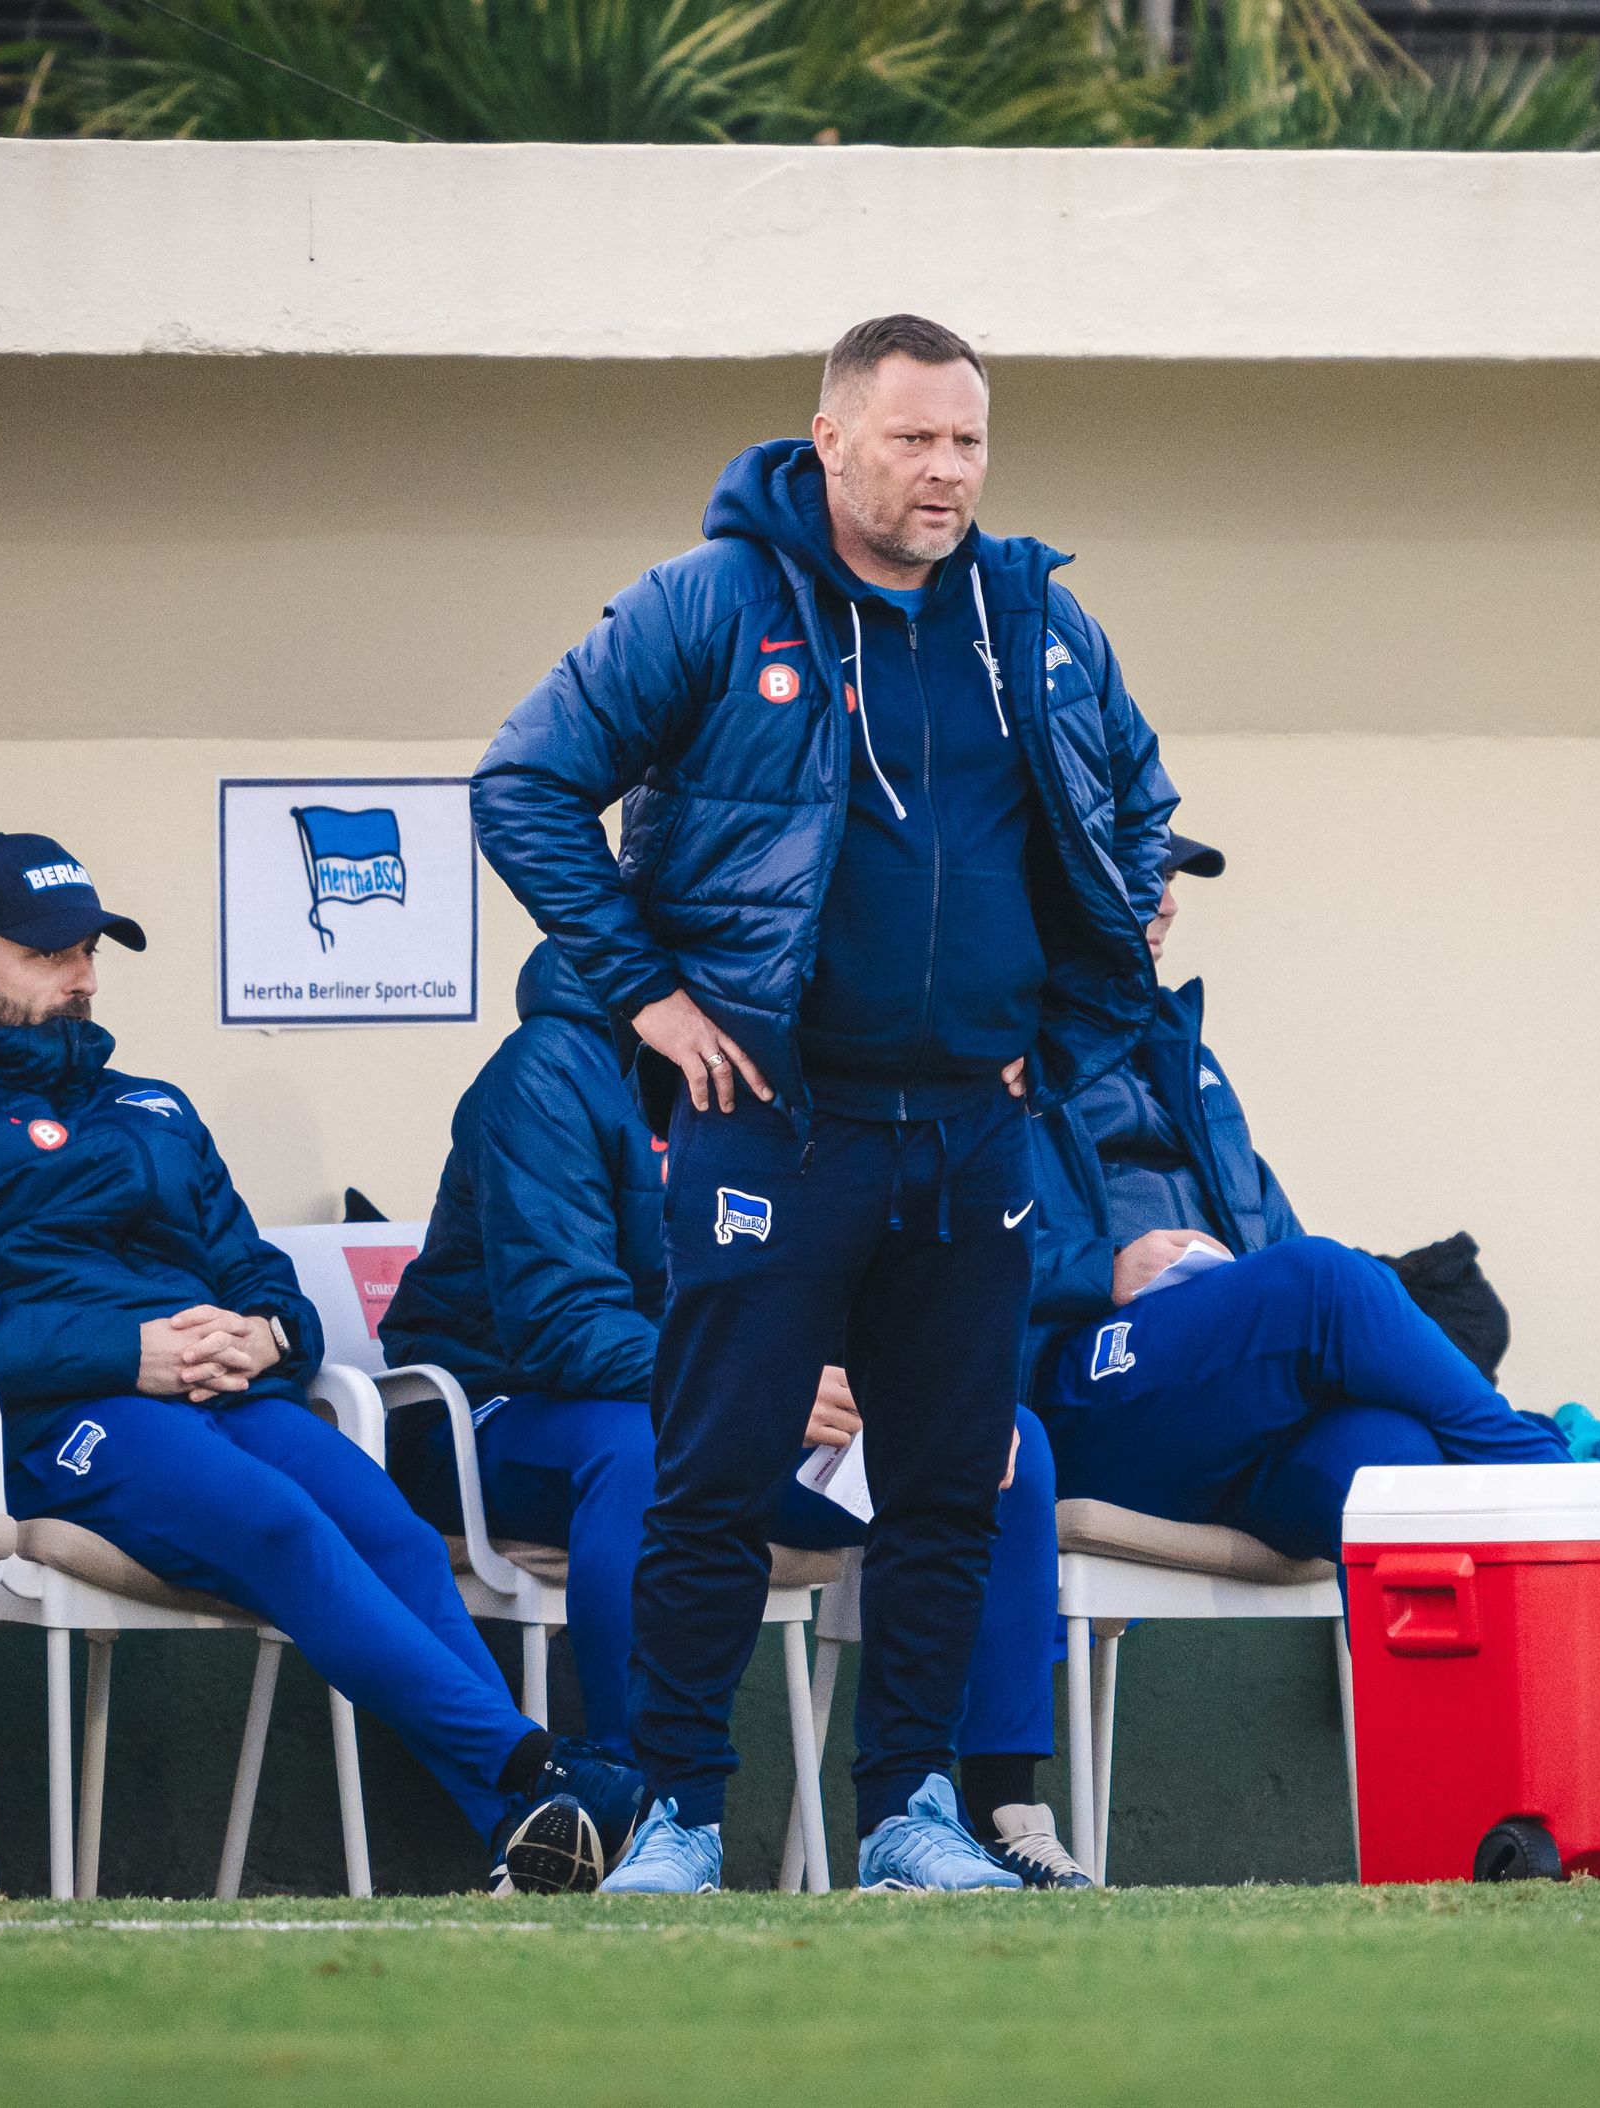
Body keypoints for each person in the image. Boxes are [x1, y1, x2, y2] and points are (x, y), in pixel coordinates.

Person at [472, 314, 1176, 1893]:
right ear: (834, 437)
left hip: (972, 1130)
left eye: (970, 442)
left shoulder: (1036, 619)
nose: (947, 472)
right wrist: (646, 993)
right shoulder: (712, 601)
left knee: (947, 1484)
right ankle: (678, 1816)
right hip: (774, 1121)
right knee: (708, 1480)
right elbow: (523, 781)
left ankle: (914, 1815)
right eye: (916, 439)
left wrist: (1066, 1022)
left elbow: (1138, 807)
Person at [0, 832, 641, 1893]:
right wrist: (131, 1349)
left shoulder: (150, 1105)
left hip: (220, 1396)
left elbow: (258, 1270)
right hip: (56, 1424)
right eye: (46, 953)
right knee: (277, 1522)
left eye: (88, 951)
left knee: (387, 1520)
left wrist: (269, 1335)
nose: (80, 977)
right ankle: (534, 1767)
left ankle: (525, 1829)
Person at [380, 941, 1089, 1886]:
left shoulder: (797, 1074)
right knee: (642, 1450)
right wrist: (763, 1381)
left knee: (1003, 1446)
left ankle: (997, 1810)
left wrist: (908, 1388)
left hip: (734, 1407)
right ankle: (642, 1808)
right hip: (508, 1412)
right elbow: (561, 1324)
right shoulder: (550, 1065)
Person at [1026, 834, 1600, 1567]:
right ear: (1065, 889)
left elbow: (1275, 1250)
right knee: (1327, 1278)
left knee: (1394, 1460)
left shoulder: (1183, 1056)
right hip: (1074, 1410)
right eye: (1147, 875)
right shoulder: (990, 1054)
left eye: (1172, 878)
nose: (1171, 902)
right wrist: (1099, 1269)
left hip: (1229, 1427)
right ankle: (1551, 1482)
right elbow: (913, 1260)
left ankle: (1468, 1658)